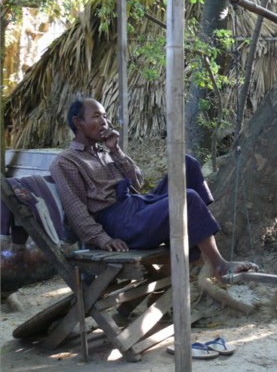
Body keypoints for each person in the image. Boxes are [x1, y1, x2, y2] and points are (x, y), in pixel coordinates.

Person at [50, 97, 258, 281]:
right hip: (120, 224)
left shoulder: (105, 152)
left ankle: (194, 242)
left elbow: (137, 182)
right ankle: (220, 266)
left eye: (105, 116)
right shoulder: (66, 162)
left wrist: (116, 151)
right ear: (78, 122)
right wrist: (103, 239)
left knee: (187, 164)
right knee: (188, 198)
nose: (105, 122)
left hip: (137, 206)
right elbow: (76, 210)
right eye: (96, 116)